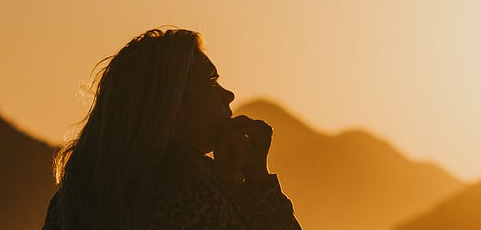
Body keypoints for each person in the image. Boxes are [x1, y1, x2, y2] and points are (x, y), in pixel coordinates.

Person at [42, 27, 301, 229]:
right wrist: (256, 178)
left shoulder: (74, 199)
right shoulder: (191, 191)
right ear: (172, 106)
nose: (229, 95)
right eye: (211, 83)